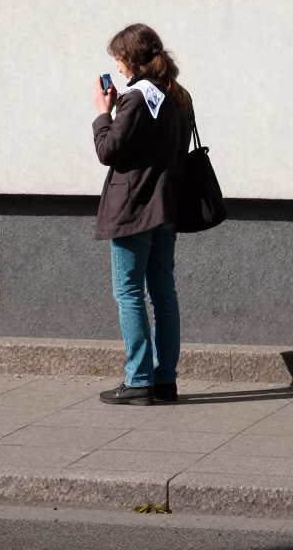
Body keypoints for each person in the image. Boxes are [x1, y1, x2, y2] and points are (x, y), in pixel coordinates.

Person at [92, 23, 193, 405]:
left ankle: (137, 380)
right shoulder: (178, 95)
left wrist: (104, 114)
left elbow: (109, 151)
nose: (117, 67)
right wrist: (123, 110)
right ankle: (165, 380)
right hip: (166, 207)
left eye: (118, 58)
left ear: (132, 58)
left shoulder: (137, 98)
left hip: (134, 208)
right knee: (163, 292)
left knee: (129, 292)